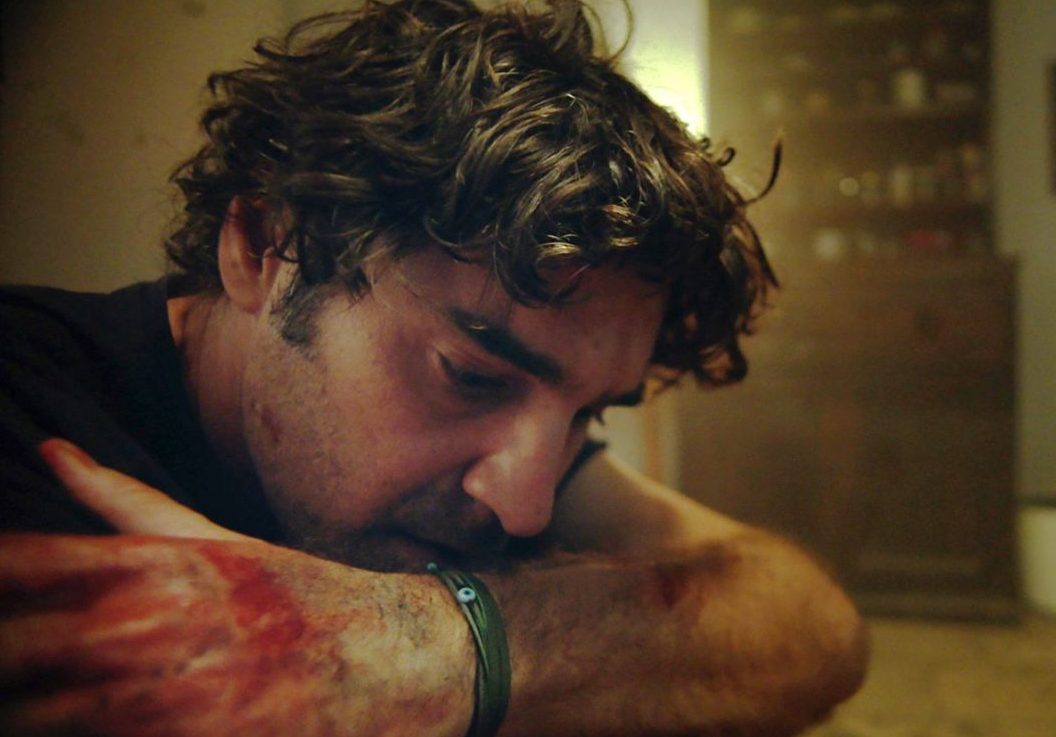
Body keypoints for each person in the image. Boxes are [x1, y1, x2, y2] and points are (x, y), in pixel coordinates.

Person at [0, 1, 867, 735]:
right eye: (472, 377)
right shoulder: (30, 414)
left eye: (586, 414)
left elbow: (812, 622)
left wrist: (436, 644)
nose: (525, 506)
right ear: (264, 244)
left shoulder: (499, 467)